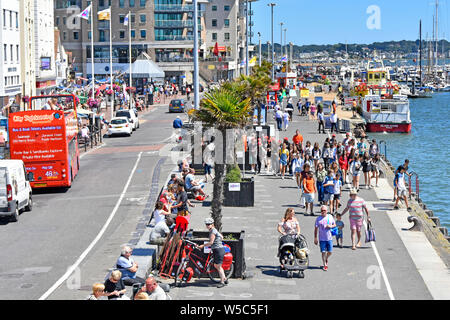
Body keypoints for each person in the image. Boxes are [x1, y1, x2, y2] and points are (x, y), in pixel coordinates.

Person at [198, 218, 228, 288]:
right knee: (217, 266)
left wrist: (203, 245)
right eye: (206, 224)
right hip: (218, 249)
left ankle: (222, 282)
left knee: (218, 266)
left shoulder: (213, 231)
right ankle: (225, 279)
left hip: (218, 250)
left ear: (212, 224)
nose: (207, 226)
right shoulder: (215, 230)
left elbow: (211, 242)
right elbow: (221, 237)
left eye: (209, 224)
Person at [314, 205, 336, 271]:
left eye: (324, 210)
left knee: (330, 252)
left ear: (327, 211)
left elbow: (334, 224)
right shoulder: (318, 219)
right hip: (321, 238)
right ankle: (325, 265)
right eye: (322, 210)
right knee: (323, 252)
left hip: (329, 238)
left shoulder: (330, 216)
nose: (323, 212)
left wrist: (330, 226)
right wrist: (315, 238)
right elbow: (316, 229)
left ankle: (326, 258)